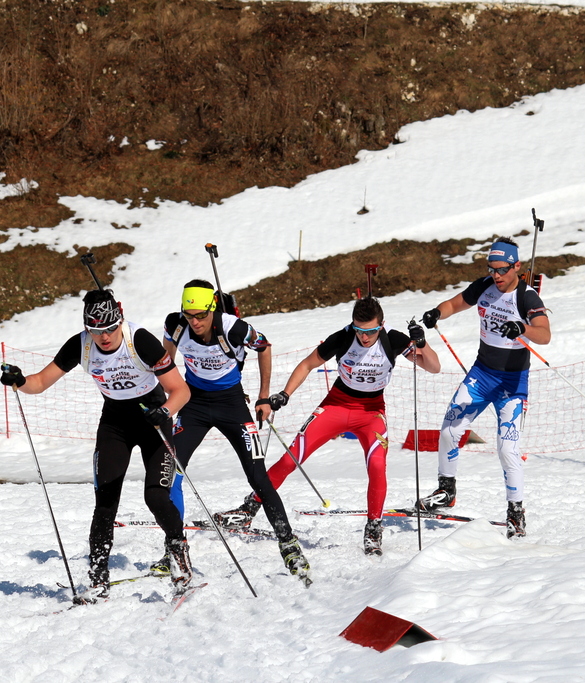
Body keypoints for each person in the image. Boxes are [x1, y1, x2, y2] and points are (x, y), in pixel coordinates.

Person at [0, 288, 192, 603]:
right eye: (96, 330)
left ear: (120, 320)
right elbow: (40, 382)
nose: (104, 337)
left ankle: (179, 559)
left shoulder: (140, 340)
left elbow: (181, 390)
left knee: (156, 496)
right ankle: (98, 579)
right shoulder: (81, 344)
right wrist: (20, 380)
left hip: (153, 421)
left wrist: (165, 412)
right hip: (115, 424)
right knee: (104, 504)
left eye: (110, 328)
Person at [217, 296, 440, 556]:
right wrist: (285, 394)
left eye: (369, 331)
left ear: (381, 325)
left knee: (377, 465)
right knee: (290, 458)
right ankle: (249, 508)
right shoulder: (344, 337)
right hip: (336, 405)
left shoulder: (393, 339)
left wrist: (422, 344)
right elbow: (307, 364)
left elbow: (433, 367)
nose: (363, 337)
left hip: (371, 413)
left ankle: (373, 527)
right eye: (359, 330)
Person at [157, 279, 311, 585]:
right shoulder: (176, 324)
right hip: (194, 405)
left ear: (213, 308)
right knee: (171, 472)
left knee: (258, 476)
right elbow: (165, 361)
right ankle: (174, 550)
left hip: (232, 406)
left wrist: (264, 396)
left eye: (201, 315)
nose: (195, 322)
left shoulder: (234, 328)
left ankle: (288, 544)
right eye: (189, 315)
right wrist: (166, 398)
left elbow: (264, 347)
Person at [417, 237, 550, 539]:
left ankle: (515, 512)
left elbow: (545, 335)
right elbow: (455, 303)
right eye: (491, 269)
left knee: (507, 449)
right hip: (481, 375)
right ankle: (446, 491)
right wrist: (437, 313)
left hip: (512, 383)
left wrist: (523, 328)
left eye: (502, 269)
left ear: (516, 266)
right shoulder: (485, 286)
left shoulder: (526, 297)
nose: (496, 275)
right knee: (449, 429)